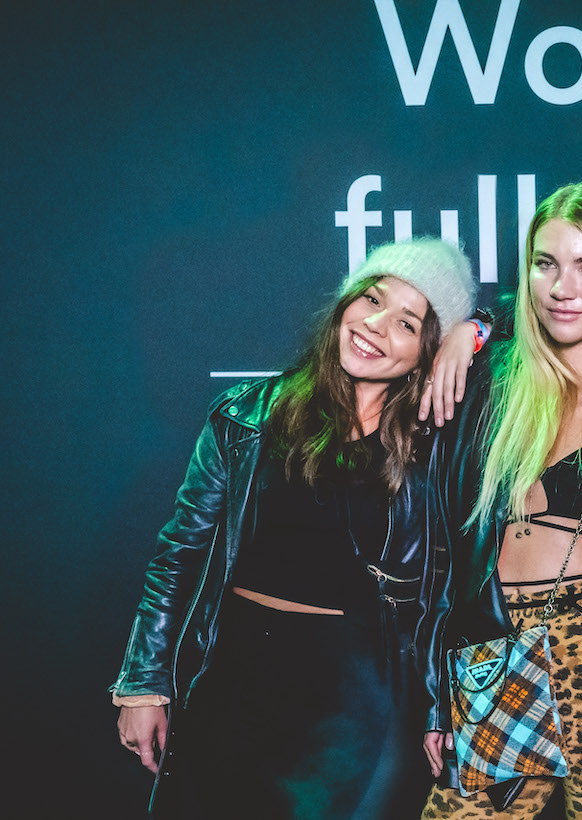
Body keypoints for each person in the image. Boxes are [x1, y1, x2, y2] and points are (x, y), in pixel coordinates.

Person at [111, 238, 477, 819]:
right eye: (370, 298)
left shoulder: (435, 446)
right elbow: (178, 553)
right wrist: (143, 681)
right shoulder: (245, 417)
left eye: (407, 322)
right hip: (232, 685)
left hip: (353, 706)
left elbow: (542, 320)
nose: (376, 326)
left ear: (428, 352)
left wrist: (473, 328)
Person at [418, 182, 582, 820]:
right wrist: (472, 326)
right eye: (546, 263)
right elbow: (445, 556)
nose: (563, 287)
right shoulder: (497, 380)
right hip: (500, 635)